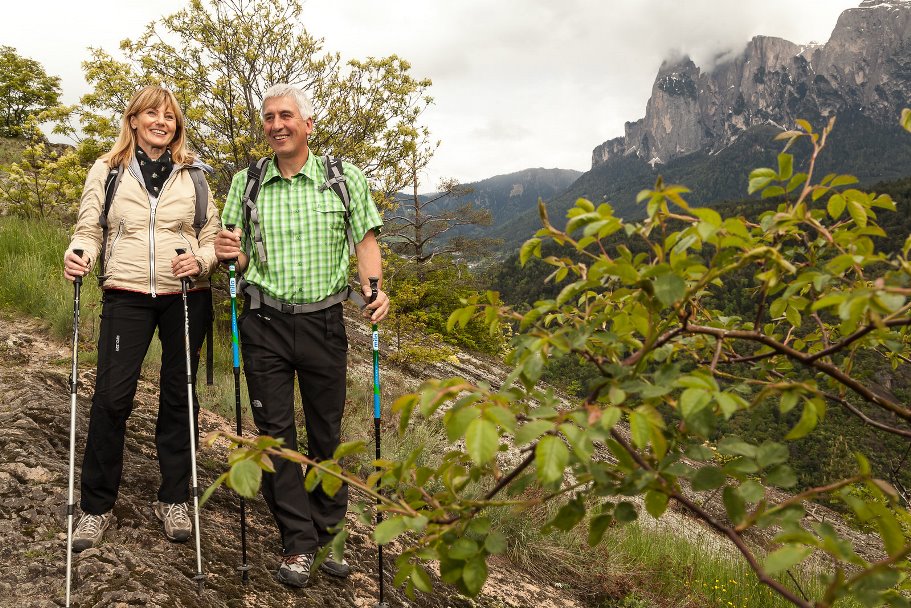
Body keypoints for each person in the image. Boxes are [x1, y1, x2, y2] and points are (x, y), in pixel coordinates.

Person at [214, 83, 389, 588]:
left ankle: (331, 533)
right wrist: (231, 251)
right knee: (275, 438)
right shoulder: (246, 182)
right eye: (268, 117)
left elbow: (366, 243)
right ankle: (298, 542)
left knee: (326, 435)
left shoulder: (342, 178)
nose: (276, 125)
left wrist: (375, 290)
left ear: (307, 125)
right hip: (263, 321)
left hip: (324, 322)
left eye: (286, 115)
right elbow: (239, 256)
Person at [63, 85, 220, 550]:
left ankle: (174, 498)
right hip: (125, 292)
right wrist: (79, 254)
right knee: (112, 398)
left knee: (179, 397)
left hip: (186, 294)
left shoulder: (195, 175)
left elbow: (213, 236)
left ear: (177, 126)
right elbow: (89, 229)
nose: (160, 122)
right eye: (151, 113)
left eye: (169, 116)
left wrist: (203, 260)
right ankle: (94, 508)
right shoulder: (107, 170)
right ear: (133, 120)